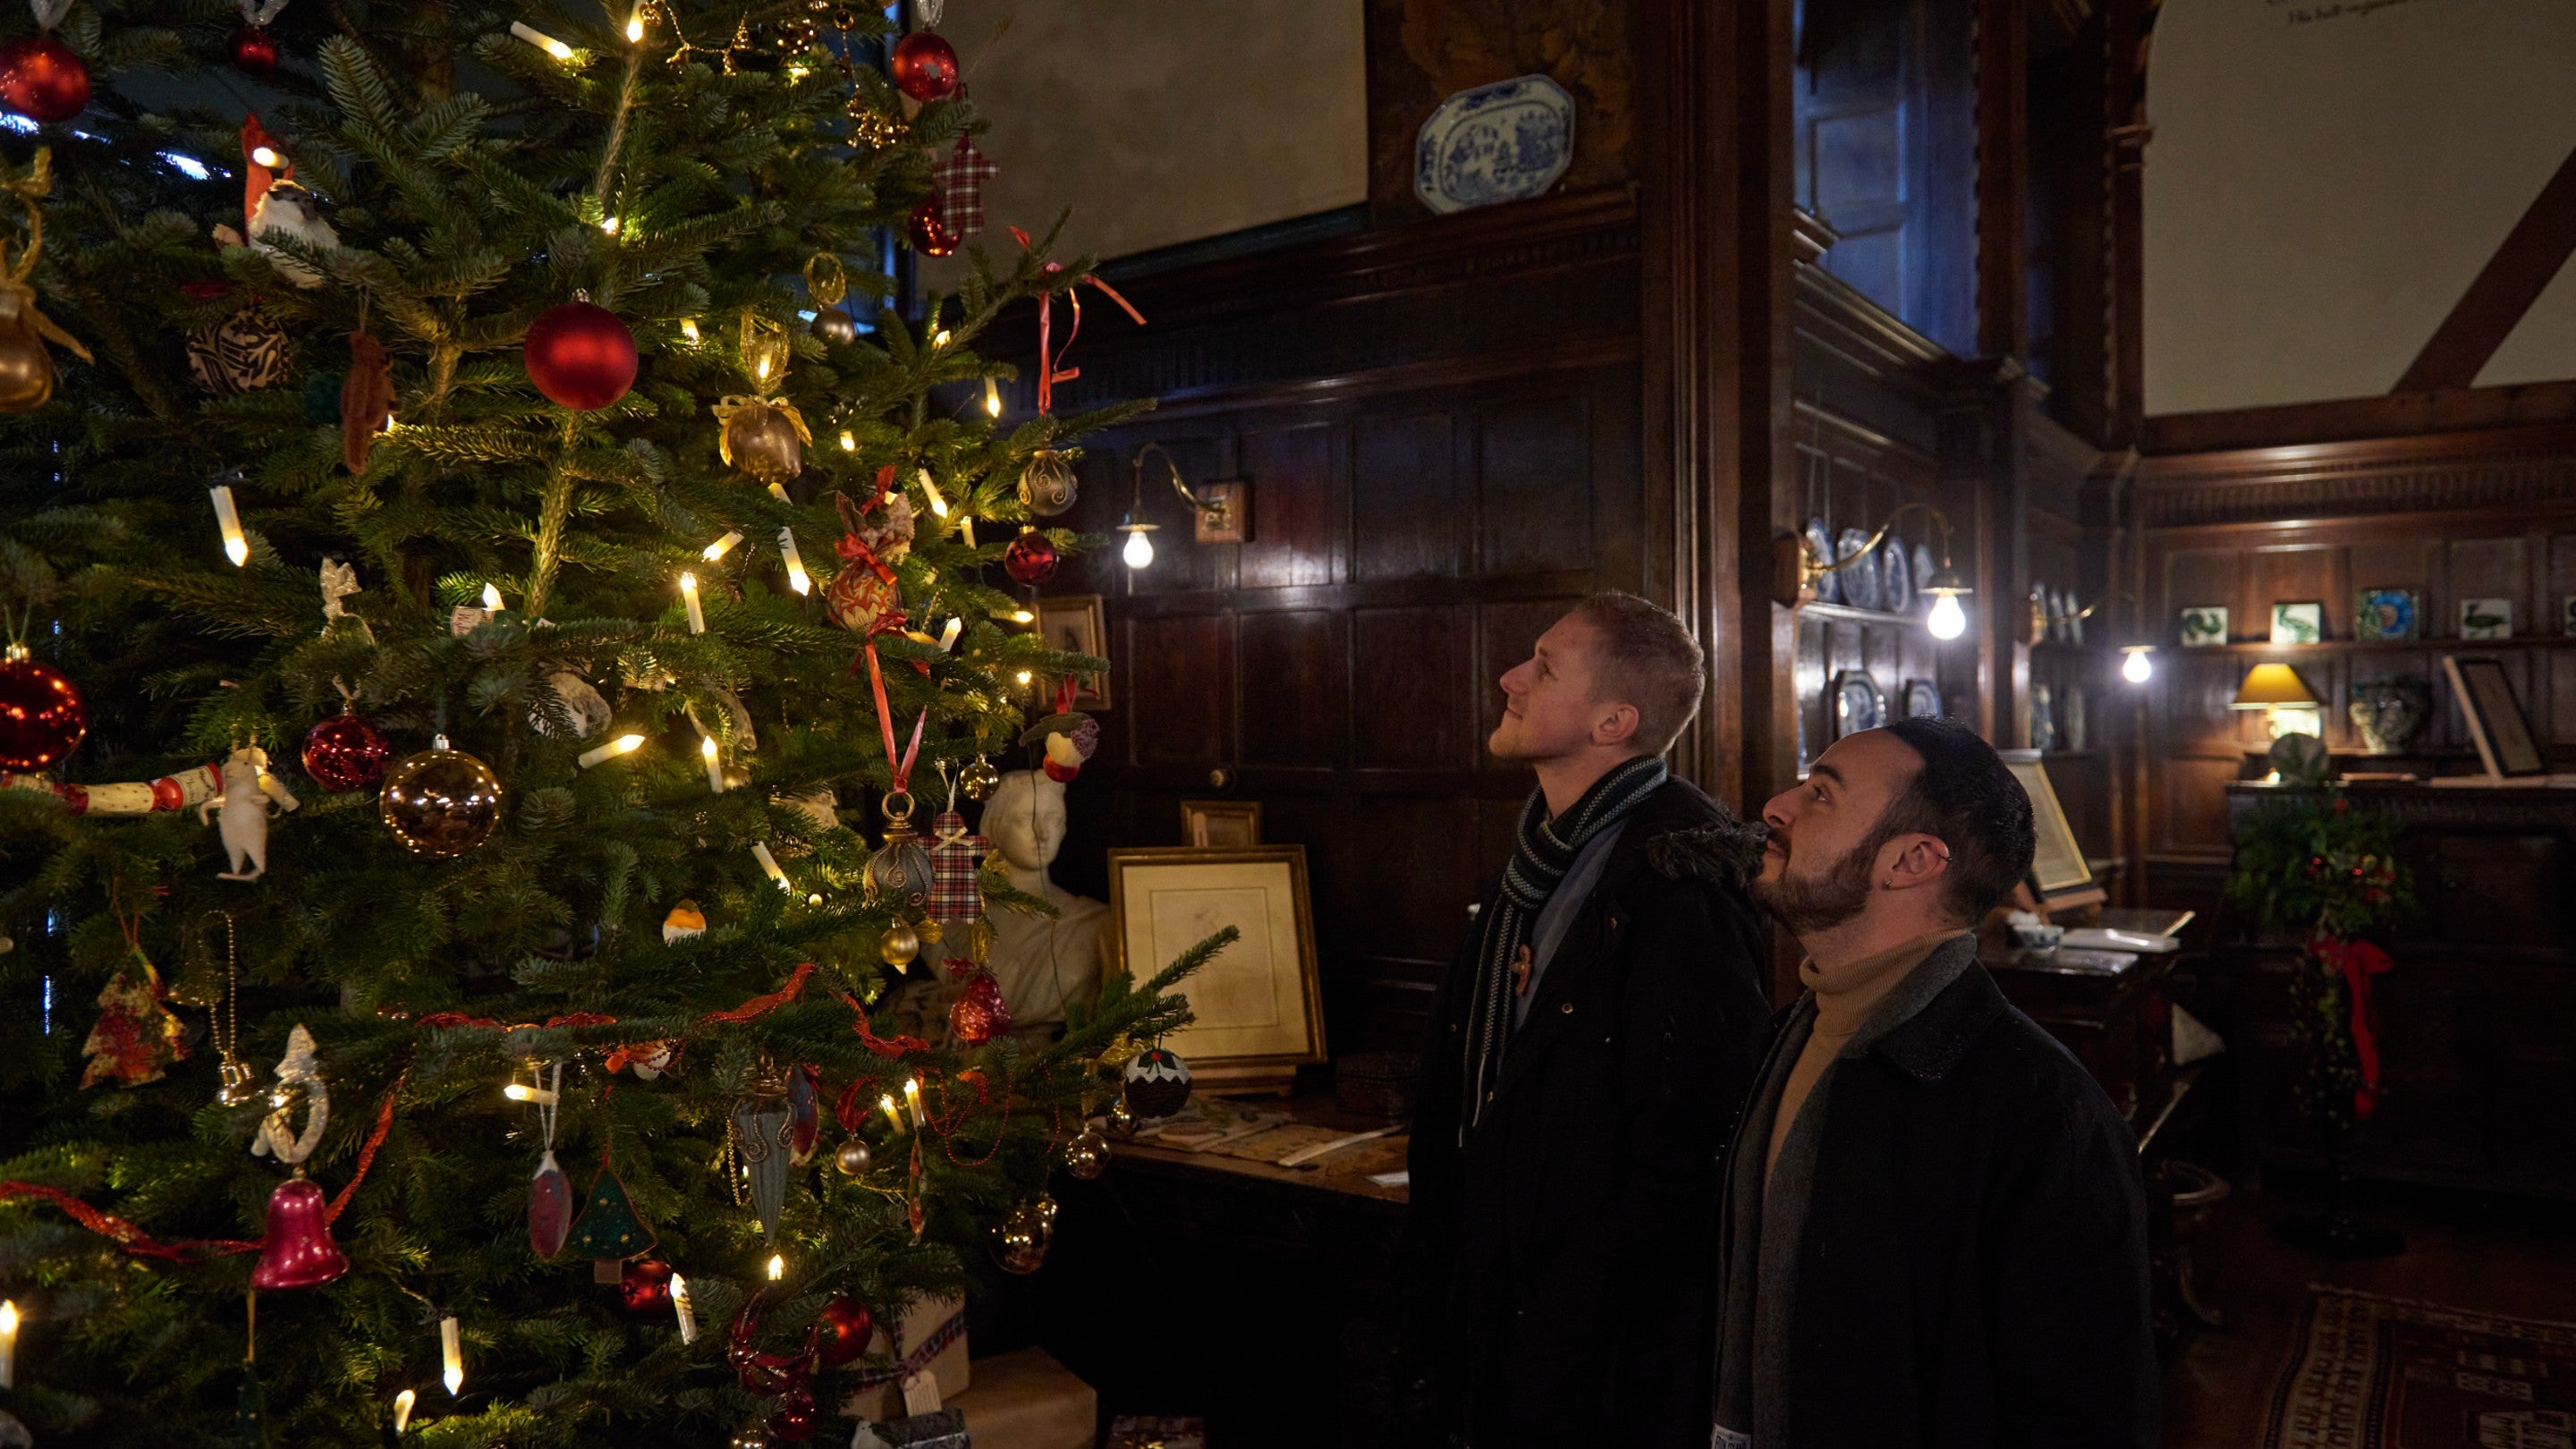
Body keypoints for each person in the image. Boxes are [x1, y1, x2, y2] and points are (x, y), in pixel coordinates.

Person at [1715, 718, 2157, 1449]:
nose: (1777, 806)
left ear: (1913, 860)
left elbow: (2085, 1412)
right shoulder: (1791, 1032)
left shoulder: (2043, 1112)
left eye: (1820, 795)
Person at [1406, 592, 1772, 1449]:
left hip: (1592, 1351)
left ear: (1615, 721)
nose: (1509, 678)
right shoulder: (1542, 852)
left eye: (1543, 667)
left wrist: (1565, 1312)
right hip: (1498, 1290)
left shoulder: (1679, 874)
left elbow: (1691, 1150)